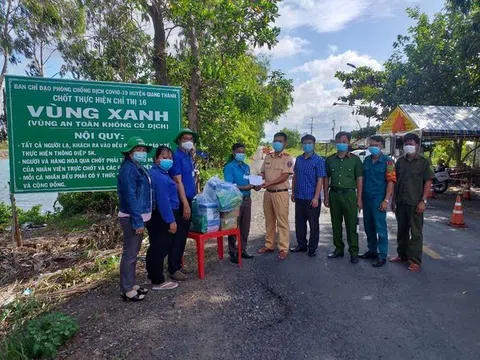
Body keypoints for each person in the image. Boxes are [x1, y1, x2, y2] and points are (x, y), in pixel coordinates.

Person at [390, 133, 434, 272]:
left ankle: (415, 260)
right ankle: (402, 255)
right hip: (401, 201)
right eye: (406, 143)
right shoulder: (400, 162)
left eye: (411, 143)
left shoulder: (424, 162)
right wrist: (393, 200)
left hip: (416, 202)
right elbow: (395, 182)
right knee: (402, 230)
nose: (408, 145)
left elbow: (428, 182)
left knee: (415, 233)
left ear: (417, 145)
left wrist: (423, 201)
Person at [117, 136, 153, 302]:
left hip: (139, 216)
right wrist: (138, 221)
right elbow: (131, 197)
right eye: (138, 150)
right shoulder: (128, 170)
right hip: (132, 218)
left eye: (144, 150)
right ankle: (126, 289)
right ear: (130, 152)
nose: (142, 152)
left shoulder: (136, 166)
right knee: (130, 254)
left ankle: (131, 284)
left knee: (134, 252)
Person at [325, 131, 364, 264]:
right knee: (336, 224)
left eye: (344, 141)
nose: (342, 144)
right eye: (339, 141)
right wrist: (326, 196)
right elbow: (326, 179)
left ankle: (354, 251)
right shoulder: (330, 160)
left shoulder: (355, 160)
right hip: (334, 194)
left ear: (348, 143)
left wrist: (359, 198)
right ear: (336, 143)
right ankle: (338, 249)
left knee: (352, 225)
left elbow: (359, 179)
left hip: (349, 195)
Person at [146, 146, 180, 291]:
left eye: (170, 158)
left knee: (155, 247)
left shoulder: (160, 173)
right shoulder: (158, 176)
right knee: (160, 248)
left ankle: (153, 275)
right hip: (162, 216)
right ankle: (158, 281)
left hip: (158, 216)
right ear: (156, 159)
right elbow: (163, 200)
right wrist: (171, 220)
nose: (168, 160)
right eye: (164, 157)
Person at [359, 136, 396, 267]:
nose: (372, 147)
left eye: (375, 144)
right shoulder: (367, 160)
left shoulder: (388, 162)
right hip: (367, 198)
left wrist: (386, 200)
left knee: (380, 228)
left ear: (381, 146)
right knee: (368, 227)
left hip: (379, 199)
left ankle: (382, 255)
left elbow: (391, 181)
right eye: (371, 145)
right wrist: (360, 199)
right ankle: (372, 250)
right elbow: (362, 180)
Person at [169, 128, 199, 281]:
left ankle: (178, 266)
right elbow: (178, 181)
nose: (188, 141)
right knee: (178, 236)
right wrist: (185, 204)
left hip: (189, 198)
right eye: (185, 138)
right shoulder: (177, 156)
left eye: (190, 139)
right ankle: (173, 269)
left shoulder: (188, 156)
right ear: (179, 141)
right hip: (181, 201)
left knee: (183, 235)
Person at [258, 132, 294, 260]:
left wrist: (268, 183)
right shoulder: (268, 157)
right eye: (275, 140)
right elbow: (262, 172)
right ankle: (269, 245)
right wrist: (258, 180)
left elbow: (285, 176)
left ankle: (283, 248)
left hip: (280, 193)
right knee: (269, 220)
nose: (276, 143)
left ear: (285, 143)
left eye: (279, 141)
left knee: (282, 221)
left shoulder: (287, 158)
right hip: (268, 193)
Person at [290, 134, 327, 257]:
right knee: (299, 223)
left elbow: (320, 179)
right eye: (304, 143)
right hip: (300, 196)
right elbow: (295, 176)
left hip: (312, 198)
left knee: (313, 224)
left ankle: (312, 248)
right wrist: (293, 192)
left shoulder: (319, 160)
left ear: (314, 144)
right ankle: (301, 245)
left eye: (309, 143)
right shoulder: (299, 159)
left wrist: (316, 197)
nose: (307, 145)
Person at [223, 143, 260, 264]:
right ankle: (232, 251)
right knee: (233, 226)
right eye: (239, 151)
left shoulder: (246, 167)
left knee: (245, 226)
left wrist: (256, 186)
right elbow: (229, 186)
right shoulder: (229, 167)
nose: (241, 154)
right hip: (235, 200)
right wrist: (245, 187)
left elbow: (250, 182)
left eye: (243, 152)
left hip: (247, 200)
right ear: (233, 153)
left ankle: (242, 249)